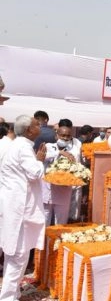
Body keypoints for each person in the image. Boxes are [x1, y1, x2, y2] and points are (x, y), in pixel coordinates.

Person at [0, 115, 47, 301]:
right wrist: (40, 160)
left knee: (15, 254)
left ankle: (13, 294)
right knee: (18, 256)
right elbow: (35, 173)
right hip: (20, 208)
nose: (40, 126)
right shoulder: (23, 147)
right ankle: (8, 298)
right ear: (29, 130)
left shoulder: (16, 145)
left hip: (13, 205)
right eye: (36, 124)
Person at [42, 119, 81, 226]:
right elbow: (42, 157)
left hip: (64, 190)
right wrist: (59, 152)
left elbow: (76, 168)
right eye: (62, 135)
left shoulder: (74, 150)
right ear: (56, 136)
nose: (65, 138)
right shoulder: (48, 146)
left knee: (61, 222)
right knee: (44, 221)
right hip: (47, 190)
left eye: (68, 136)